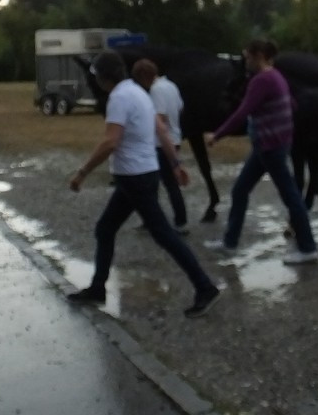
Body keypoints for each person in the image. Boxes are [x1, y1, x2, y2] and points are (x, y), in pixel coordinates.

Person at [67, 50, 221, 318]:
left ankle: (205, 286)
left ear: (104, 78)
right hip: (140, 175)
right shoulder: (139, 93)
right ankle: (97, 288)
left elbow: (110, 141)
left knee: (164, 235)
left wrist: (83, 172)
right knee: (105, 229)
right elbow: (161, 131)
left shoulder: (119, 98)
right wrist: (175, 164)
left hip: (135, 177)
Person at [205, 39, 318, 265]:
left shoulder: (263, 80)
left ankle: (308, 248)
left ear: (258, 56)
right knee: (240, 191)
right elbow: (292, 104)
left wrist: (217, 135)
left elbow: (242, 111)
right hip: (268, 145)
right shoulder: (276, 76)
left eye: (247, 57)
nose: (245, 61)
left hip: (270, 146)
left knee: (291, 197)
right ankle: (230, 243)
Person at [131, 59, 188, 233]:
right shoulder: (171, 85)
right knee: (161, 183)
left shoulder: (156, 90)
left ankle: (179, 222)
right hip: (175, 139)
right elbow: (180, 108)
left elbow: (160, 118)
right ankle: (154, 218)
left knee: (166, 184)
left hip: (161, 143)